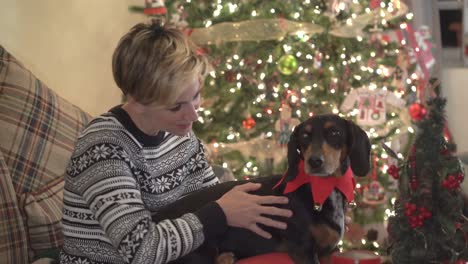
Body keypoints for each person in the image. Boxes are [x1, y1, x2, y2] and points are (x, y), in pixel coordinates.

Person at [60, 19, 292, 264]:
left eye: (196, 96)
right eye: (175, 107)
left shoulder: (178, 136)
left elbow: (209, 196)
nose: (193, 115)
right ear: (137, 102)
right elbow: (142, 251)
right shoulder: (103, 149)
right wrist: (220, 213)